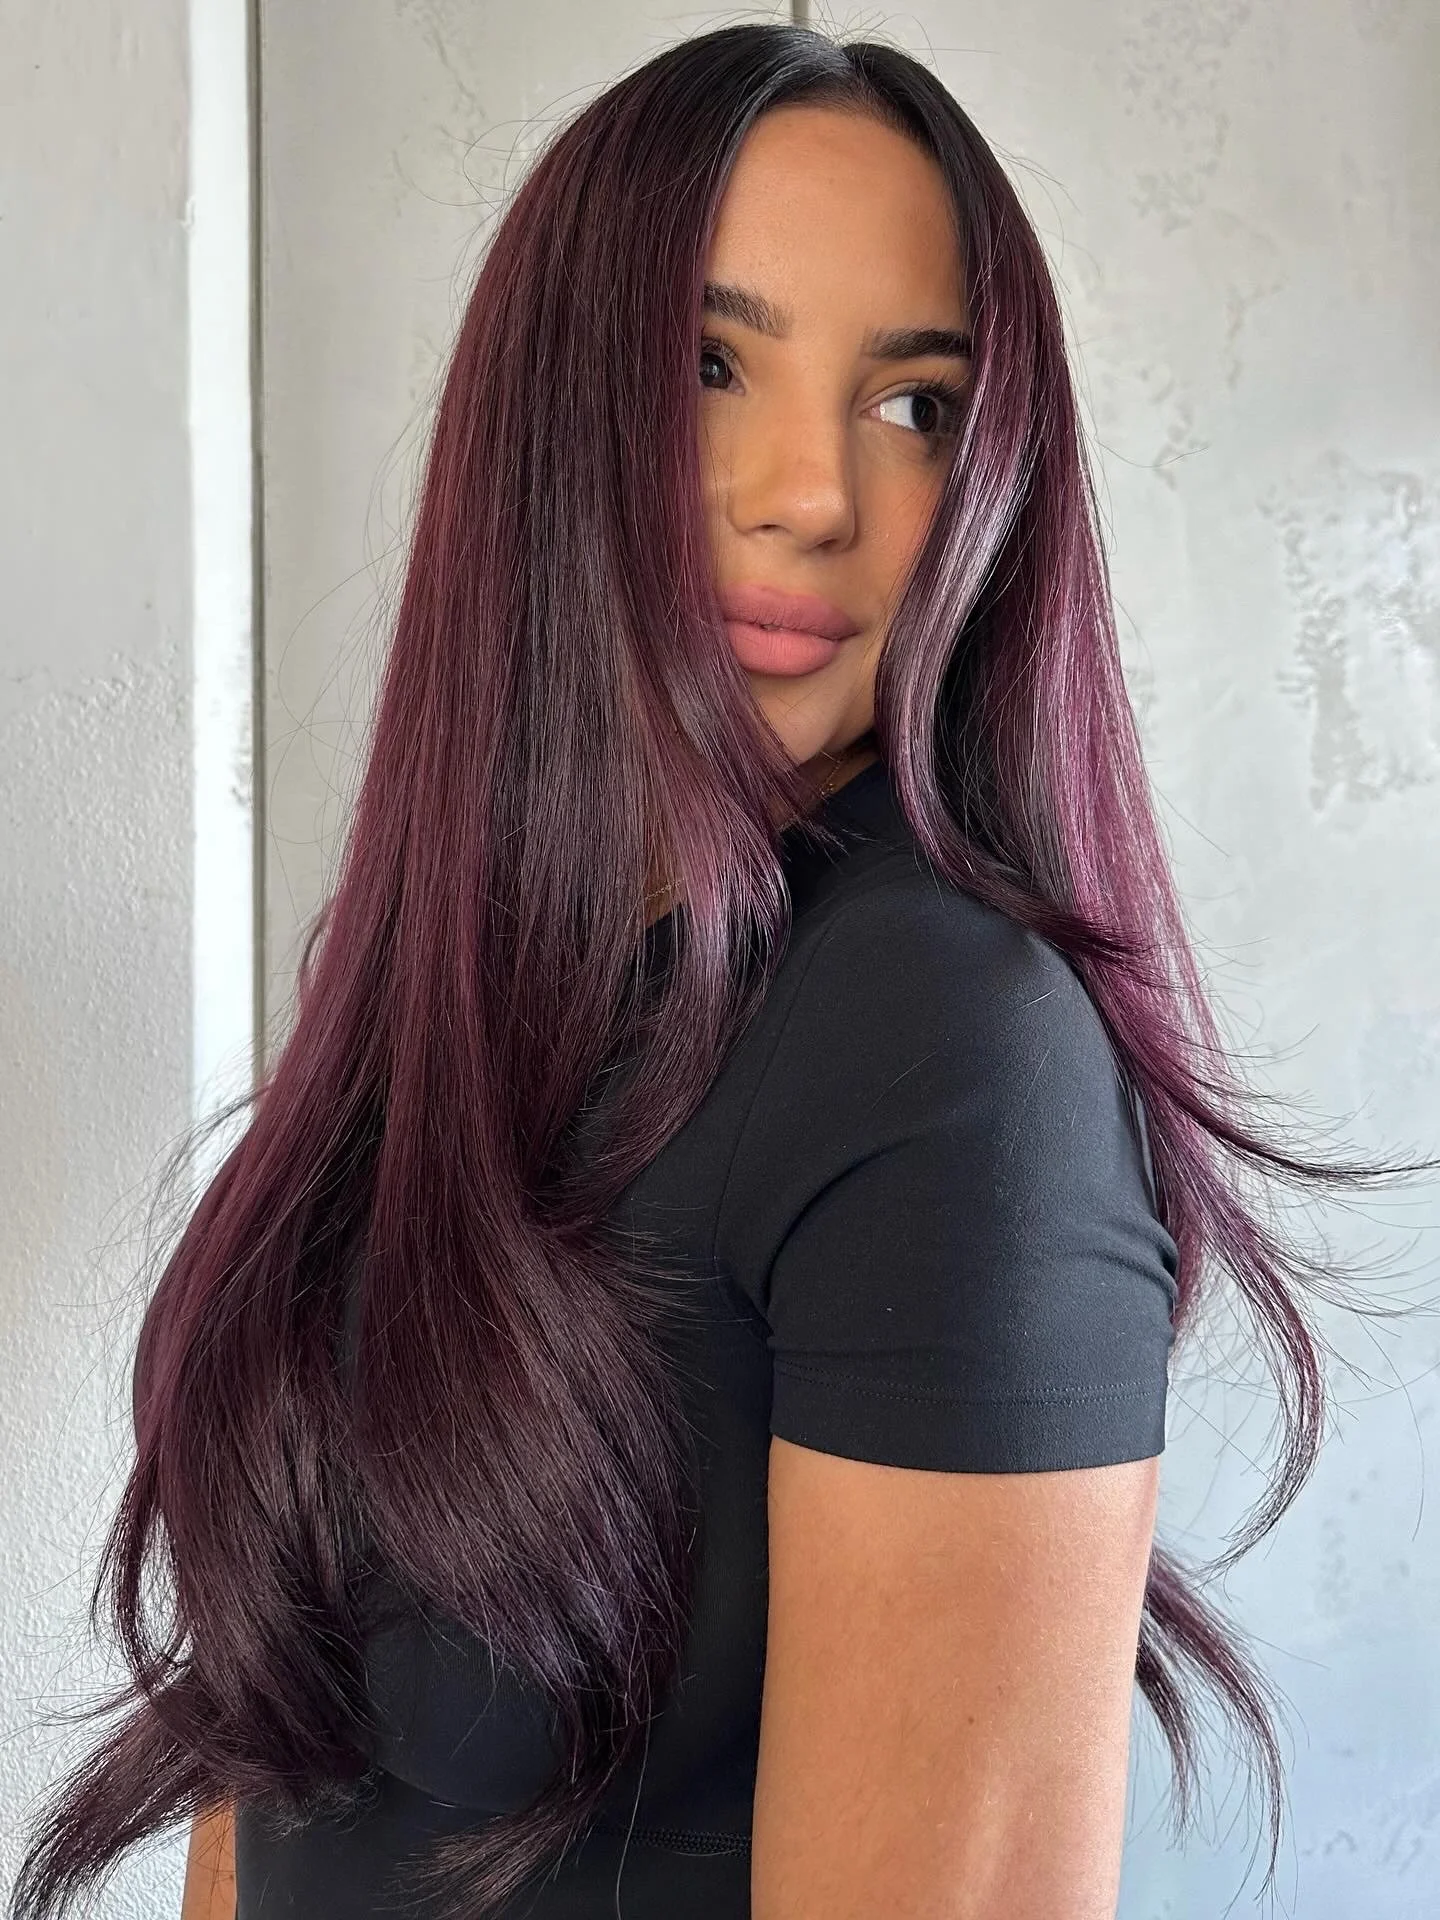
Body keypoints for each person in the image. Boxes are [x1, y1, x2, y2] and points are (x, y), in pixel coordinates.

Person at [14, 22, 1431, 1920]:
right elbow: (279, 1778)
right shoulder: (452, 991)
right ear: (547, 411)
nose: (810, 496)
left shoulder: (946, 1048)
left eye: (915, 404)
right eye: (708, 364)